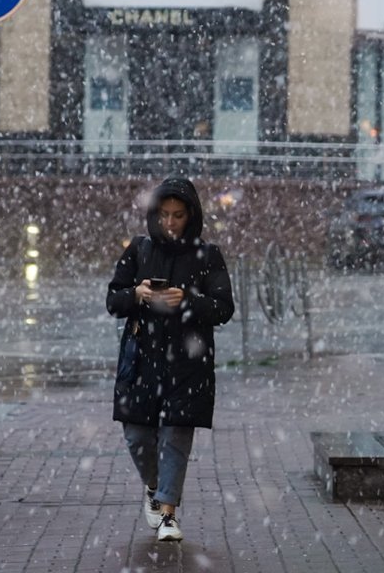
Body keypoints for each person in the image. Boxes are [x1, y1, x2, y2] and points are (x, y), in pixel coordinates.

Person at [106, 177, 235, 542]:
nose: (170, 222)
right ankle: (154, 486)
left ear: (190, 215)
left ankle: (168, 514)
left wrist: (188, 300)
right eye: (164, 214)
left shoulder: (207, 255)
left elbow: (224, 308)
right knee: (136, 436)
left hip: (187, 362)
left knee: (176, 436)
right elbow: (113, 301)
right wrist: (137, 293)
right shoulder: (139, 249)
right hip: (141, 358)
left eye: (178, 215)